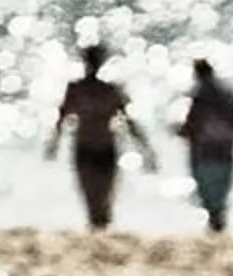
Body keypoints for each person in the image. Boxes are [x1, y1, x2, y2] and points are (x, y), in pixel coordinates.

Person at [46, 44, 157, 231]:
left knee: (101, 194)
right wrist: (54, 142)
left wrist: (145, 148)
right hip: (94, 145)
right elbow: (62, 117)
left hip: (97, 145)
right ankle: (98, 226)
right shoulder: (85, 89)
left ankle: (100, 225)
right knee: (94, 194)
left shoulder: (104, 90)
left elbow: (129, 121)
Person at [177, 60, 233, 234]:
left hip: (204, 152)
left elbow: (191, 126)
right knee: (220, 193)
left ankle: (215, 224)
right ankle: (217, 224)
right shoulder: (227, 95)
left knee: (208, 193)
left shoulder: (200, 97)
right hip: (225, 151)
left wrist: (179, 132)